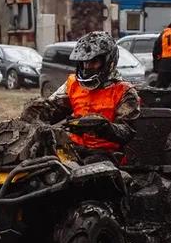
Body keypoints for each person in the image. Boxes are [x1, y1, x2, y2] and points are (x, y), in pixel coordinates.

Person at [21, 31, 139, 160]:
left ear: (108, 61)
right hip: (73, 149)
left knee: (85, 170)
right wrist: (36, 112)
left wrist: (102, 127)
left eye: (94, 62)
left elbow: (127, 133)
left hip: (107, 154)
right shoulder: (73, 84)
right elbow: (53, 109)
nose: (87, 67)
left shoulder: (124, 91)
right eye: (85, 63)